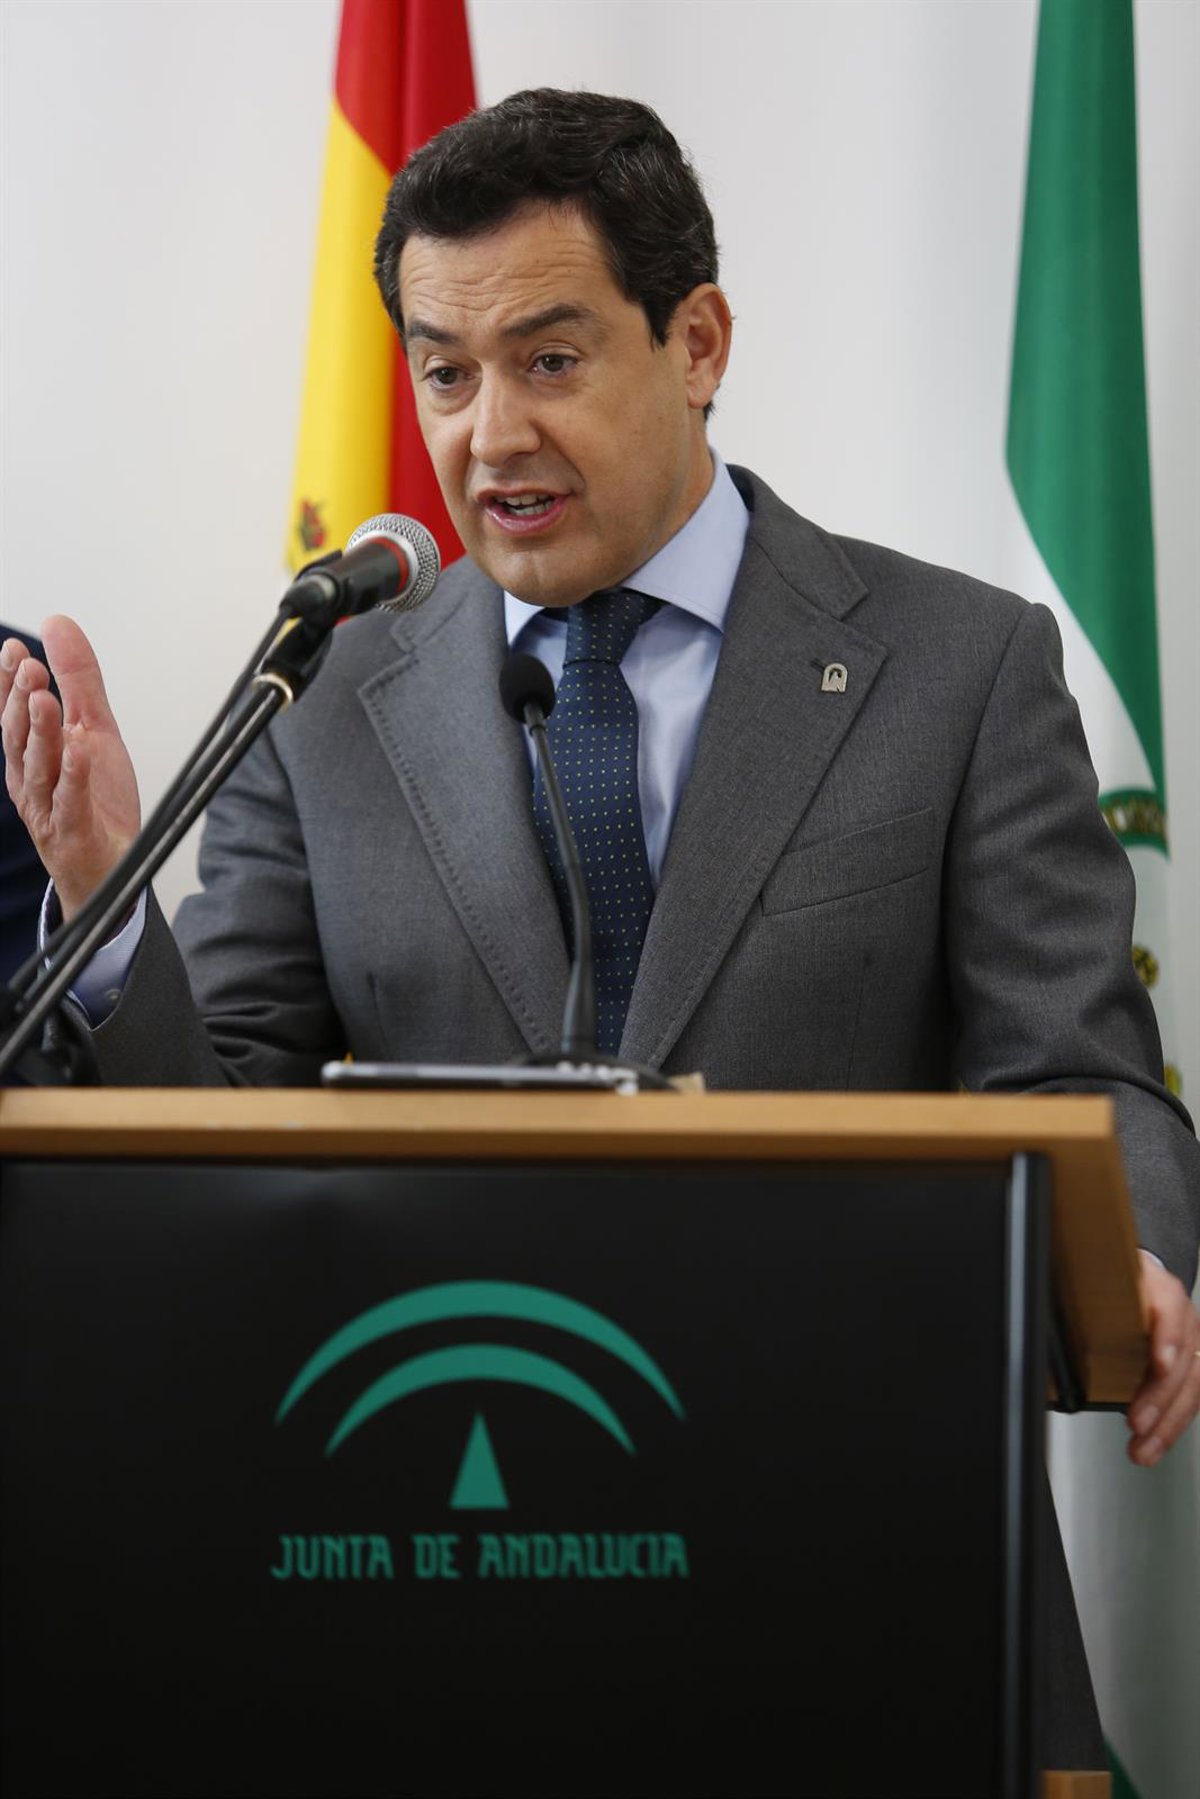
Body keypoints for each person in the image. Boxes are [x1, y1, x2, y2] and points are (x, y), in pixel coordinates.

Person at [2, 88, 1198, 1768]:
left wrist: (1134, 1245)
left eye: (549, 360)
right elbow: (221, 1127)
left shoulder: (960, 666)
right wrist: (108, 910)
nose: (489, 435)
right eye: (443, 373)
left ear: (695, 343)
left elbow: (1078, 1067)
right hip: (440, 1582)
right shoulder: (323, 692)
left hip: (864, 1584)